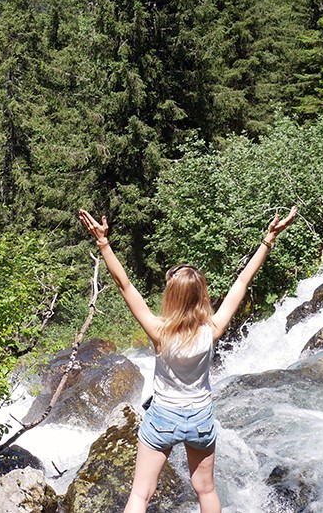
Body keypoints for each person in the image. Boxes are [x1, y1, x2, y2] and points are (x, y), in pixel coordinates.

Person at [77, 206, 297, 513]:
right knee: (205, 489)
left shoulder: (158, 332)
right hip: (200, 419)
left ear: (172, 296)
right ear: (200, 295)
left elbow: (124, 284)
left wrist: (103, 243)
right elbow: (242, 283)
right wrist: (268, 239)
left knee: (141, 495)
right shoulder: (213, 329)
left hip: (163, 416)